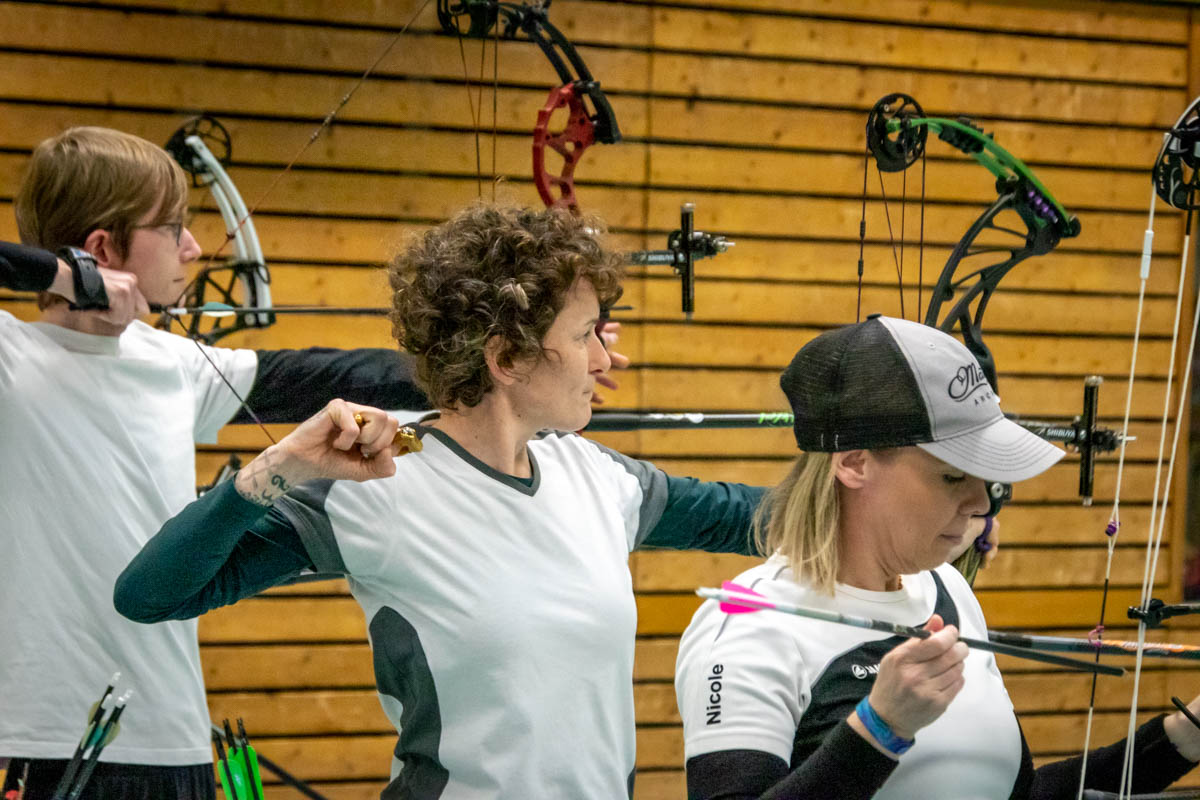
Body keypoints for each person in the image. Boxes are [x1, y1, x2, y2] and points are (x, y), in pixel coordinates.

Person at [113, 204, 766, 799]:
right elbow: (148, 595)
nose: (604, 359)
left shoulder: (598, 476)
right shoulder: (378, 484)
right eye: (586, 334)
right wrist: (278, 468)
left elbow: (765, 519)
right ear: (507, 358)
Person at [0, 125, 453, 800]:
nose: (191, 247)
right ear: (102, 249)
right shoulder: (11, 358)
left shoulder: (173, 363)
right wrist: (65, 277)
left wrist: (505, 358)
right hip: (52, 747)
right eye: (171, 227)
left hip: (178, 739)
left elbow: (339, 375)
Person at [674, 315, 1200, 800]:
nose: (981, 503)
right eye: (952, 476)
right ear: (854, 463)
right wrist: (879, 729)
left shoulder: (948, 588)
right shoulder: (747, 624)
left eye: (984, 478)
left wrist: (1184, 735)